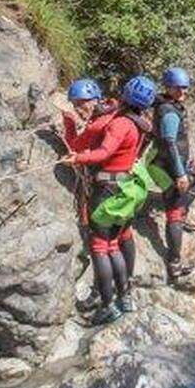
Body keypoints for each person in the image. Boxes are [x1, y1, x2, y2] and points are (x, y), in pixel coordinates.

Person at [62, 74, 156, 325]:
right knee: (113, 245)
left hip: (107, 188)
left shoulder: (119, 124)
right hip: (127, 186)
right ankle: (124, 298)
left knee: (100, 248)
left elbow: (103, 152)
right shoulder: (138, 122)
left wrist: (78, 158)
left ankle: (107, 305)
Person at [57, 77, 119, 312]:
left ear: (91, 101)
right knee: (117, 241)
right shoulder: (115, 113)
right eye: (74, 105)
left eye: (79, 104)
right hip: (123, 183)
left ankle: (101, 295)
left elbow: (75, 145)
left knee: (99, 245)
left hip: (105, 186)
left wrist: (69, 122)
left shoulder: (96, 124)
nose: (77, 109)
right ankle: (121, 287)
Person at [145, 66, 195, 285]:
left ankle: (181, 212)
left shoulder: (170, 105)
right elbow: (169, 141)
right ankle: (175, 264)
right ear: (168, 87)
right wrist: (180, 173)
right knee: (174, 213)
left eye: (184, 88)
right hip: (167, 166)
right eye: (178, 88)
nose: (182, 92)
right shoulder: (169, 111)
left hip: (169, 162)